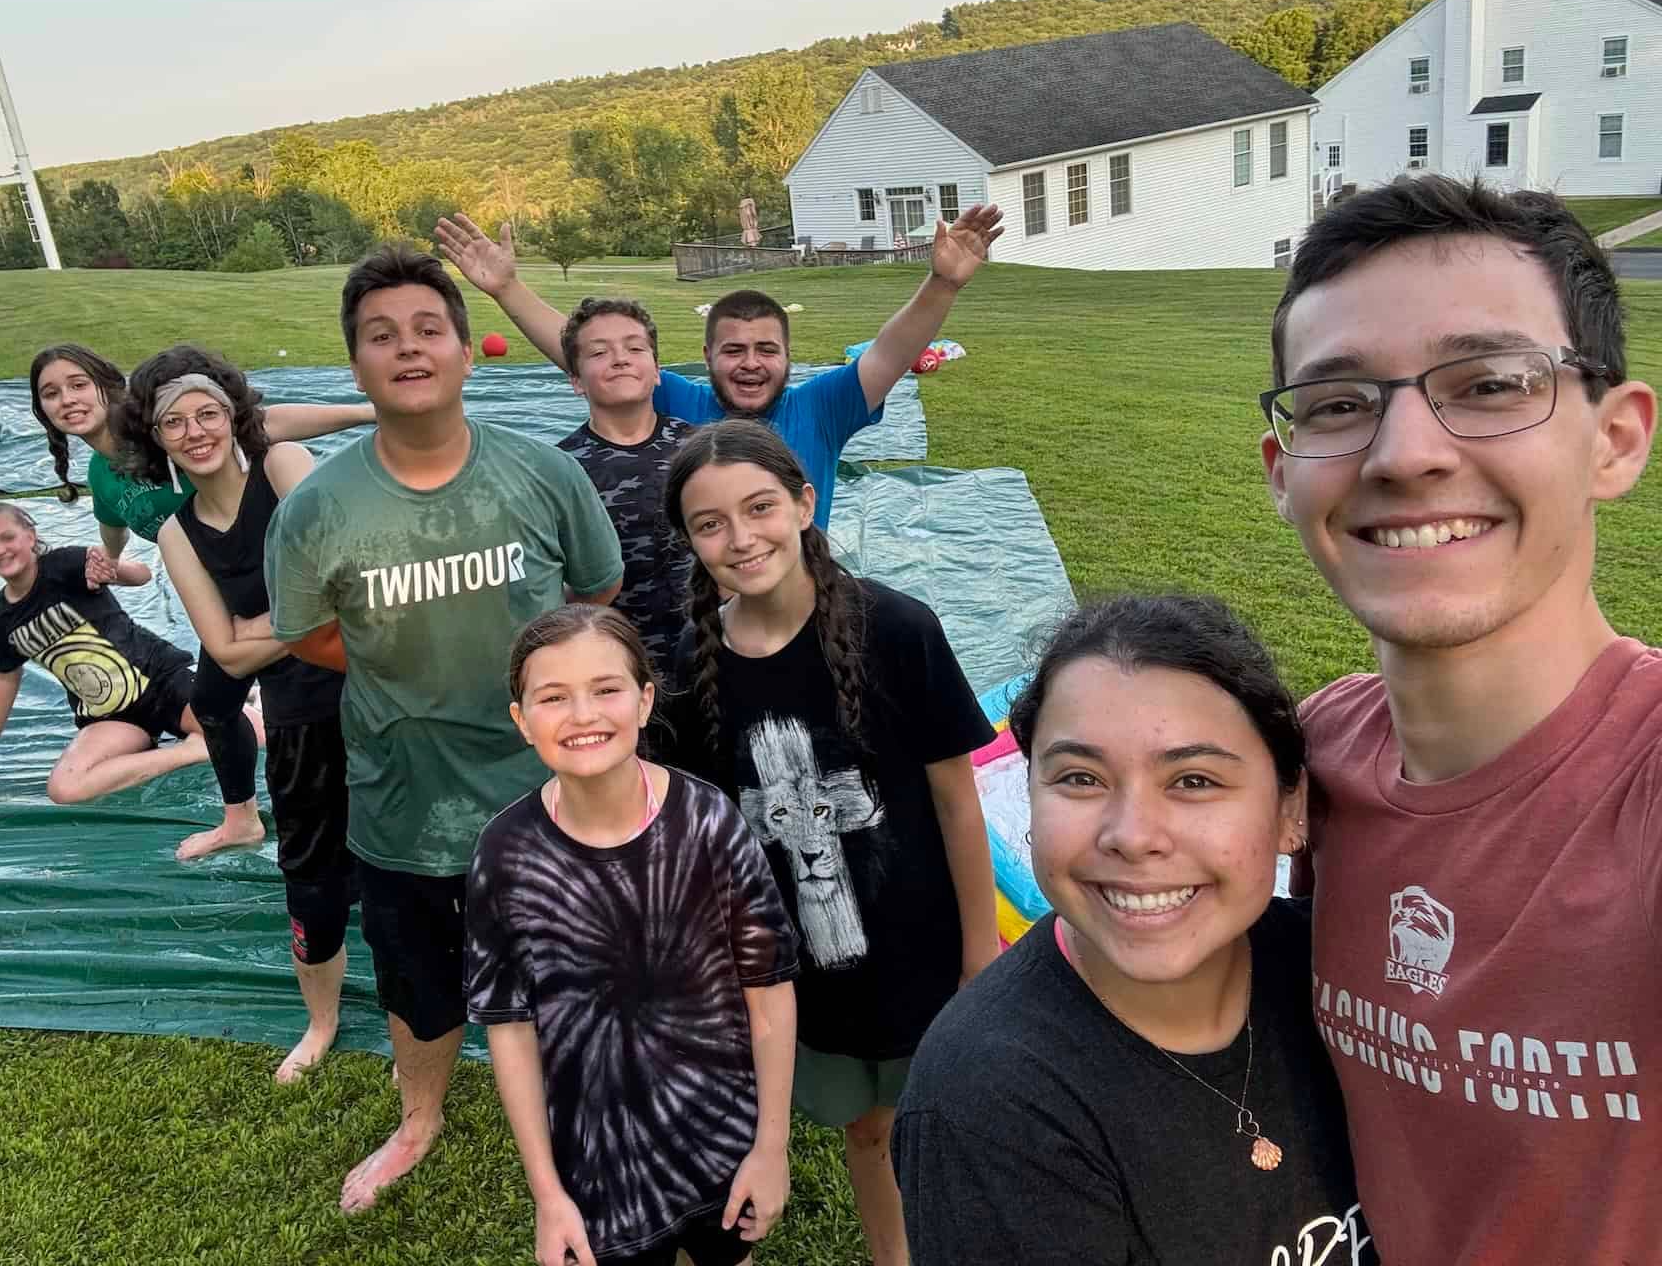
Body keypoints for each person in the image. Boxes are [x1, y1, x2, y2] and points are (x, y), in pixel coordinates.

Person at [1259, 175, 1658, 1263]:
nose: (1403, 454)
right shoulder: (1317, 754)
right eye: (1338, 405)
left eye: (1487, 384)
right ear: (1283, 473)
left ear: (1616, 440)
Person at [264, 244, 624, 1214]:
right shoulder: (317, 511)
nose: (408, 349)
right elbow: (308, 634)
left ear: (468, 351)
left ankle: (592, 1115)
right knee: (419, 992)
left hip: (556, 801)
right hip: (404, 806)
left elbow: (595, 593)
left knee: (582, 976)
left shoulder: (543, 475)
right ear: (355, 367)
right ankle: (419, 1117)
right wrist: (402, 664)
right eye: (382, 337)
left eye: (429, 329)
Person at [892, 595, 1373, 1265]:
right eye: (1081, 778)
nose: (1132, 836)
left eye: (1195, 780)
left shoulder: (1351, 981)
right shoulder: (991, 1104)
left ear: (1291, 808)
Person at [659, 420, 999, 1266]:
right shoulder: (693, 660)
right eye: (710, 524)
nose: (741, 539)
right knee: (867, 1125)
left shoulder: (898, 628)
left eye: (761, 507)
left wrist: (980, 952)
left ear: (805, 504)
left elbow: (958, 801)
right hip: (800, 961)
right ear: (691, 541)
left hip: (918, 947)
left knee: (943, 1120)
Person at [467, 604, 799, 1266]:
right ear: (521, 720)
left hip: (720, 1140)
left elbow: (768, 992)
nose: (584, 715)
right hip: (596, 1167)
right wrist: (546, 1194)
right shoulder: (504, 855)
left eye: (607, 689)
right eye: (553, 698)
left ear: (645, 701)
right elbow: (509, 1029)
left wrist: (770, 1146)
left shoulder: (710, 823)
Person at [432, 205, 1005, 528]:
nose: (751, 364)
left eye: (767, 350)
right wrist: (508, 289)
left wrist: (941, 283)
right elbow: (595, 355)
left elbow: (891, 351)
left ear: (787, 356)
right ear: (706, 358)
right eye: (734, 351)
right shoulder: (683, 404)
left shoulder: (822, 408)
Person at [29, 344, 375, 858]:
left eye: (78, 384)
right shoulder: (106, 473)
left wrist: (371, 411)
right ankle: (242, 821)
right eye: (51, 394)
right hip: (227, 599)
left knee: (324, 703)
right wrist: (107, 563)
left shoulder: (171, 426)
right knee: (213, 704)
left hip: (279, 579)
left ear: (108, 384)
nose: (68, 400)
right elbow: (113, 528)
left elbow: (263, 424)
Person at [119, 345, 355, 1084]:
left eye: (208, 414)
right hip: (296, 718)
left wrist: (257, 629)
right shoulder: (175, 534)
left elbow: (346, 584)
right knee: (310, 879)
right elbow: (220, 647)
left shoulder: (284, 466)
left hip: (374, 693)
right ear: (157, 442)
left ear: (233, 418)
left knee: (417, 859)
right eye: (175, 424)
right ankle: (321, 1023)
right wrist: (292, 618)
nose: (195, 432)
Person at [0, 500, 230, 808]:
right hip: (111, 715)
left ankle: (231, 712)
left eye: (7, 538)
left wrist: (112, 568)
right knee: (65, 789)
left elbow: (143, 574)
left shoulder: (64, 565)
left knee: (252, 735)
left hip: (162, 680)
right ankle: (193, 750)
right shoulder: (1, 619)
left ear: (29, 536)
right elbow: (4, 678)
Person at [553, 296, 696, 678]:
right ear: (576, 381)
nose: (621, 358)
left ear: (657, 370)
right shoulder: (559, 469)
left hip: (709, 659)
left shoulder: (701, 450)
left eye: (635, 348)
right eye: (599, 352)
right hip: (612, 669)